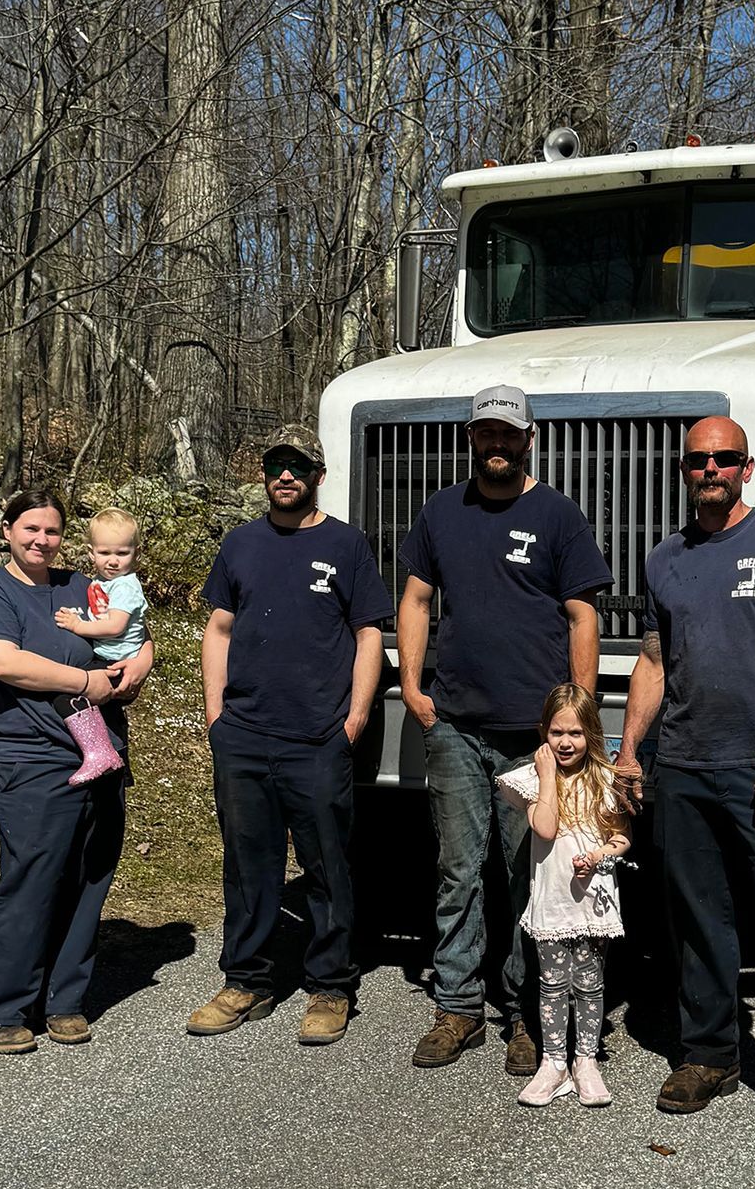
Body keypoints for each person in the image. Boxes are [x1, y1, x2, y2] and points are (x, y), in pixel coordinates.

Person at [615, 415, 755, 1156]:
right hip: (681, 765)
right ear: (683, 471)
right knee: (696, 921)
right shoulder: (665, 559)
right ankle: (710, 1054)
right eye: (697, 461)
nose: (710, 470)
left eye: (724, 459)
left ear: (747, 467)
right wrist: (628, 753)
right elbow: (654, 658)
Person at [398, 384, 613, 1074]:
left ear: (528, 439)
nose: (496, 444)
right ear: (472, 439)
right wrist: (411, 688)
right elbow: (416, 598)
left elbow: (583, 616)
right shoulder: (440, 513)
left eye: (507, 434)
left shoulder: (557, 516)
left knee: (529, 875)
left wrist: (576, 712)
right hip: (456, 726)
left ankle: (524, 1012)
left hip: (534, 738)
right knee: (458, 871)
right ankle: (458, 1008)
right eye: (485, 433)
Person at [191, 425, 392, 1046]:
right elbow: (218, 629)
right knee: (250, 864)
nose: (285, 476)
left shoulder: (348, 544)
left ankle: (331, 986)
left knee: (326, 865)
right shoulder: (241, 544)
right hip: (244, 735)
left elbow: (368, 635)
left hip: (316, 736)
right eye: (275, 465)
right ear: (264, 473)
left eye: (297, 467)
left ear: (318, 476)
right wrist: (216, 716)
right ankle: (245, 980)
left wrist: (354, 718)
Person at [0, 488, 154, 1054]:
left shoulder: (79, 584)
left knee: (89, 879)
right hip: (31, 759)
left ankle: (62, 1000)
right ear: (7, 532)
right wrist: (87, 683)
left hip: (103, 752)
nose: (42, 540)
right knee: (32, 880)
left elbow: (132, 630)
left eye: (52, 531)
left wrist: (141, 663)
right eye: (30, 529)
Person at [498, 684, 635, 1108]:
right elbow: (545, 828)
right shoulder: (532, 780)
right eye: (557, 732)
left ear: (590, 734)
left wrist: (599, 855)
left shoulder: (604, 780)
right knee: (553, 983)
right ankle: (554, 1062)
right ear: (544, 732)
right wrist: (545, 777)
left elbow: (622, 837)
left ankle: (586, 1060)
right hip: (554, 902)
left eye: (575, 733)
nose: (565, 742)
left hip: (592, 903)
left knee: (591, 984)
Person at [53, 507, 149, 784]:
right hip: (109, 657)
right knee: (106, 713)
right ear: (91, 552)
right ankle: (117, 762)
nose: (113, 561)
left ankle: (98, 753)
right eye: (105, 553)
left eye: (122, 553)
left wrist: (77, 625)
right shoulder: (102, 583)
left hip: (117, 662)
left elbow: (115, 625)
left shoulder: (125, 586)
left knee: (68, 697)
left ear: (137, 553)